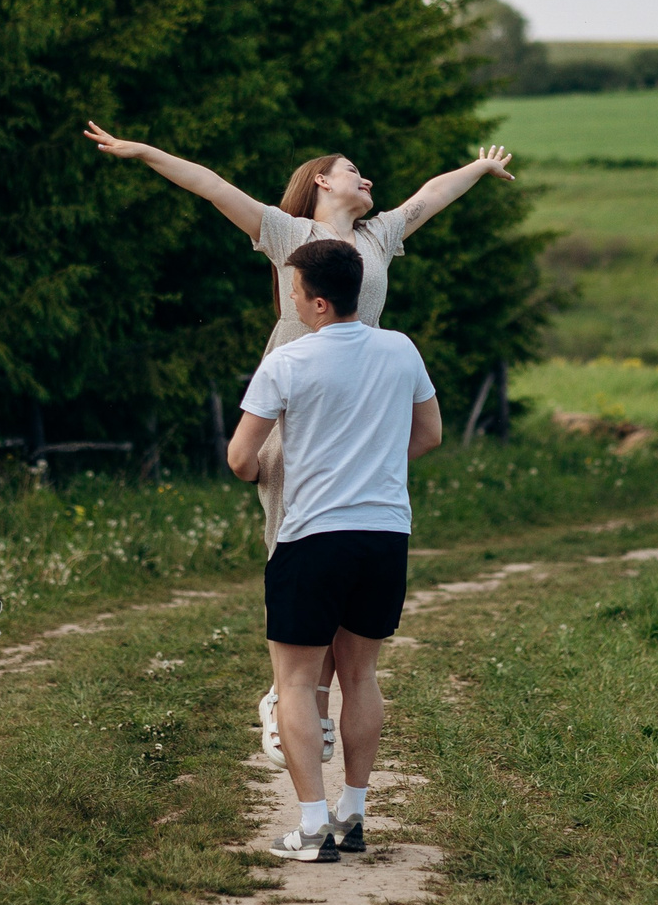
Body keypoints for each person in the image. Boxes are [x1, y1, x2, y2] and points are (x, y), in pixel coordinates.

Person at [82, 120, 510, 757]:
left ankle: (306, 705)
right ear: (320, 181)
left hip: (357, 396)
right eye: (352, 169)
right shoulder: (289, 233)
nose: (366, 179)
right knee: (299, 545)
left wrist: (477, 170)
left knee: (346, 554)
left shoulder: (380, 235)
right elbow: (211, 186)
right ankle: (290, 697)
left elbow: (430, 195)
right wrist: (142, 151)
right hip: (294, 398)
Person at [226, 239, 441, 860]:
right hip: (385, 534)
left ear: (318, 302)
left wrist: (262, 472)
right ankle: (354, 814)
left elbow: (242, 459)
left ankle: (312, 827)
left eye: (293, 291)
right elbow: (430, 433)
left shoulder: (288, 362)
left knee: (294, 683)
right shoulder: (400, 348)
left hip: (313, 537)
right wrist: (375, 467)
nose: (289, 299)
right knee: (361, 676)